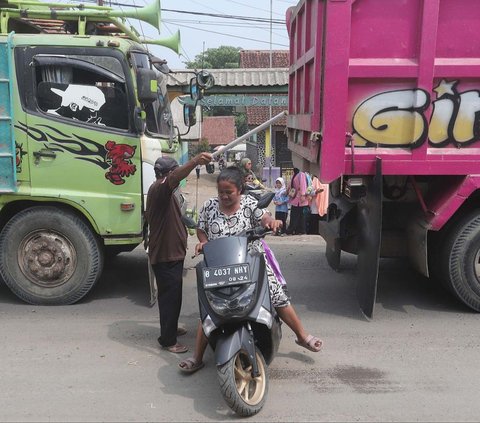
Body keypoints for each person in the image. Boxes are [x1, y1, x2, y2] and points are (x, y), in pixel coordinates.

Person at [178, 166, 323, 373]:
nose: (224, 196)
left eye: (229, 192)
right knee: (209, 307)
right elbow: (201, 229)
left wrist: (271, 221)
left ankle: (302, 336)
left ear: (240, 191)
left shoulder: (249, 203)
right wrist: (203, 242)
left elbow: (264, 217)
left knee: (276, 294)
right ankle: (197, 356)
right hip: (220, 264)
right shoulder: (210, 205)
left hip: (251, 260)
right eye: (221, 192)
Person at [145, 151, 212, 354]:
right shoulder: (159, 188)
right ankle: (168, 340)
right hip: (165, 255)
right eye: (174, 173)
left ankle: (171, 329)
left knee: (173, 297)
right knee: (169, 299)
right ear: (169, 174)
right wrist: (194, 161)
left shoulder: (166, 193)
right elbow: (173, 179)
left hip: (171, 254)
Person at [286, 168, 309, 235]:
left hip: (300, 198)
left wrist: (302, 194)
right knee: (296, 215)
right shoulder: (295, 174)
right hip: (295, 198)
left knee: (298, 215)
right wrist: (287, 190)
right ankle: (296, 229)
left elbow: (303, 184)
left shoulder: (301, 174)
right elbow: (291, 183)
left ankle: (298, 229)